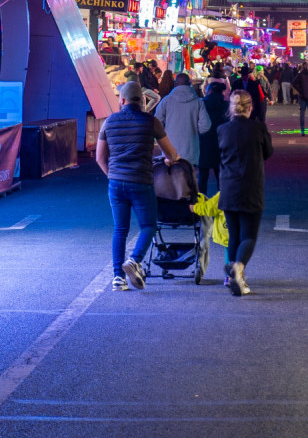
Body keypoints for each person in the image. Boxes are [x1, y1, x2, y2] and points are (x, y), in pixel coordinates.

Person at [95, 79, 179, 289]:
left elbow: (100, 157)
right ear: (142, 101)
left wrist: (111, 175)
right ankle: (134, 260)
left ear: (122, 100)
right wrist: (170, 160)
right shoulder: (150, 122)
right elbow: (171, 153)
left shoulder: (109, 122)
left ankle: (118, 278)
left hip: (116, 183)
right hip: (141, 181)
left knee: (120, 229)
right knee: (149, 225)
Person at [216, 90, 273, 296]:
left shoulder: (222, 130)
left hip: (229, 187)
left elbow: (218, 155)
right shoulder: (258, 128)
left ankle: (233, 275)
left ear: (230, 108)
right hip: (251, 186)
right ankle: (238, 268)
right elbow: (268, 152)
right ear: (250, 107)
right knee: (249, 235)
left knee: (234, 235)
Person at [155, 72, 210, 171]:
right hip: (191, 150)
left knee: (170, 182)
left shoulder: (166, 101)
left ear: (175, 84)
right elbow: (205, 126)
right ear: (189, 84)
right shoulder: (198, 102)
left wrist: (164, 134)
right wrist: (195, 131)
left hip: (169, 151)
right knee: (188, 182)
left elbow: (156, 122)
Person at [199, 63, 230, 198]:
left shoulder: (202, 104)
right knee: (221, 179)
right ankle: (222, 205)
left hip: (204, 143)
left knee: (202, 179)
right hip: (220, 143)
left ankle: (200, 208)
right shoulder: (226, 106)